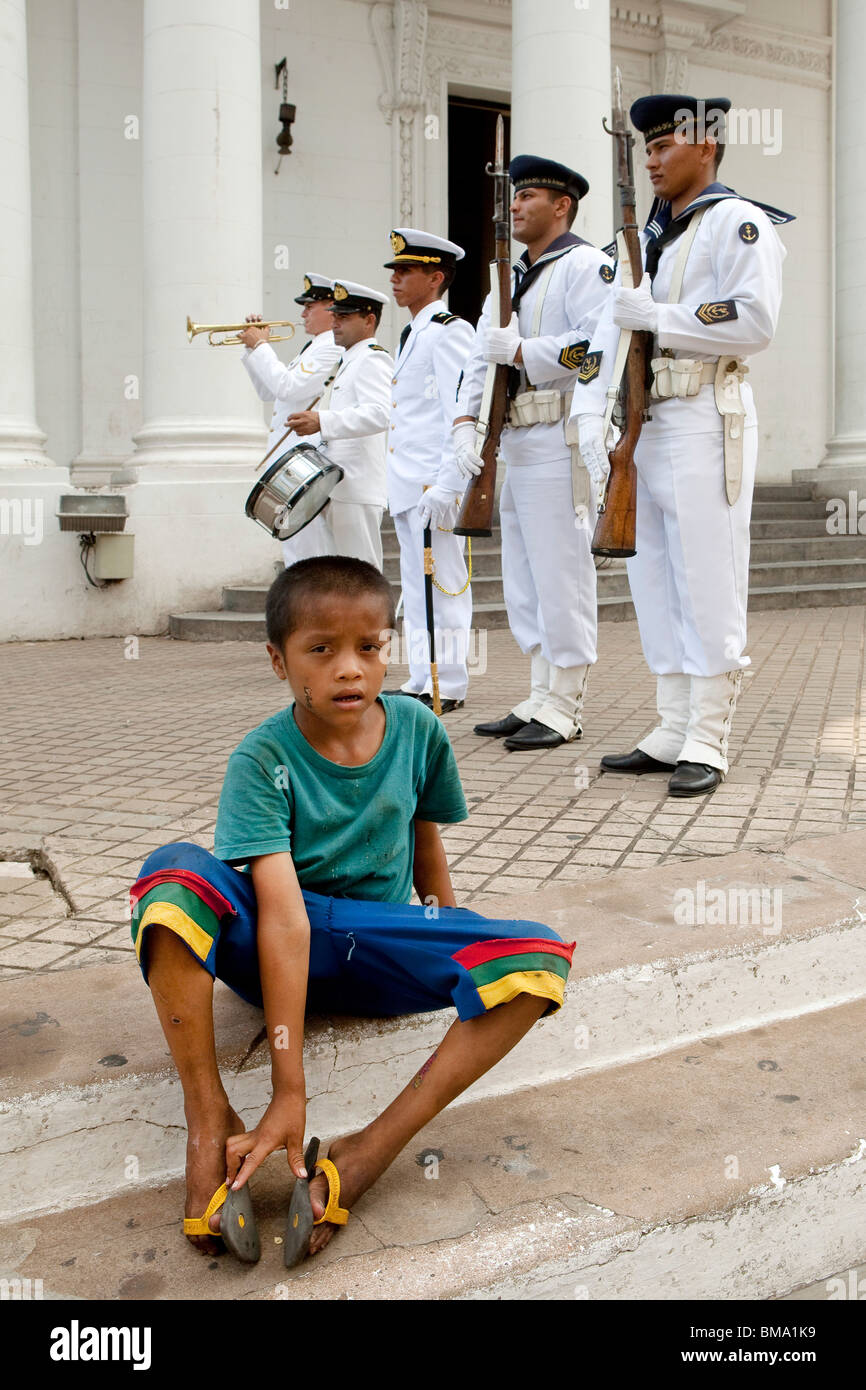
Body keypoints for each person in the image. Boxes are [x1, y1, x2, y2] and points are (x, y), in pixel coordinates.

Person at [129, 557, 574, 1264]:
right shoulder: (262, 758)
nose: (350, 670)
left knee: (537, 958)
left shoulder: (420, 730)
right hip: (282, 943)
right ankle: (208, 1117)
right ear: (278, 661)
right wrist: (288, 1087)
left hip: (373, 949)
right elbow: (281, 918)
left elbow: (425, 848)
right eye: (322, 650)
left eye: (369, 647)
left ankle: (367, 1152)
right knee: (171, 875)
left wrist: (449, 942)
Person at [571, 94, 791, 796]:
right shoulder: (648, 239)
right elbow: (610, 335)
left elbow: (754, 320)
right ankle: (671, 725)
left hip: (704, 411)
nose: (654, 158)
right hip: (645, 421)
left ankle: (709, 736)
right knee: (655, 579)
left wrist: (659, 314)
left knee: (707, 577)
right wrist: (591, 417)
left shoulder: (737, 223)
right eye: (649, 148)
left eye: (667, 146)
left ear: (708, 147)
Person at [453, 155, 614, 750]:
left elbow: (597, 348)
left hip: (557, 433)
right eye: (513, 197)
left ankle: (567, 702)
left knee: (560, 571)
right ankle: (540, 689)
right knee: (522, 575)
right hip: (513, 438)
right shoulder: (510, 274)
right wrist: (466, 422)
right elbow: (480, 355)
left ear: (562, 206)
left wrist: (523, 351)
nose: (514, 206)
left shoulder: (586, 266)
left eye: (528, 197)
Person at [384, 229, 477, 713]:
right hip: (407, 483)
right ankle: (422, 675)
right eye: (395, 271)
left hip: (432, 483)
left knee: (442, 581)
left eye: (406, 270)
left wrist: (449, 482)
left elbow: (459, 412)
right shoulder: (411, 334)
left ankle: (451, 681)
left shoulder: (448, 331)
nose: (396, 279)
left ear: (435, 277)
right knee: (416, 585)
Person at [285, 282, 393, 570]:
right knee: (339, 580)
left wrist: (322, 421)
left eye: (344, 317)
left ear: (369, 320)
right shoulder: (348, 360)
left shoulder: (372, 357)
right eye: (334, 316)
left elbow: (382, 413)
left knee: (362, 576)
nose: (334, 323)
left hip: (356, 487)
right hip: (335, 486)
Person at [240, 273, 341, 566]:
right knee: (295, 551)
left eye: (310, 306)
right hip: (289, 464)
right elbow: (268, 391)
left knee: (310, 553)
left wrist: (261, 347)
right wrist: (251, 349)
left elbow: (288, 386)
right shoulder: (313, 347)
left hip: (306, 461)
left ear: (331, 307)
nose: (303, 313)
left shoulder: (331, 346)